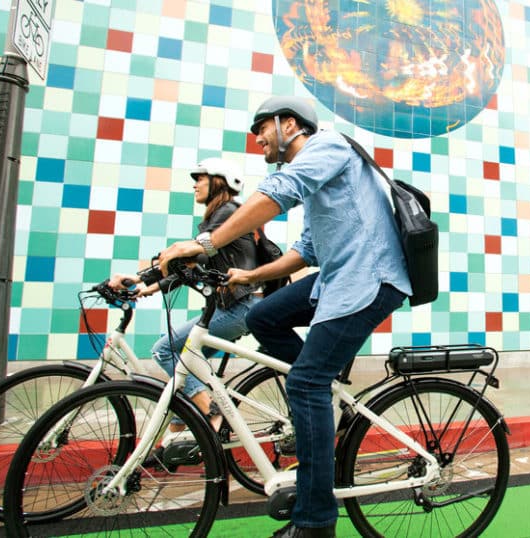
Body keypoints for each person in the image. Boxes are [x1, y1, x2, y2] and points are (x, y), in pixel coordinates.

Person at [157, 96, 412, 538]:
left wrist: (208, 244)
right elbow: (305, 253)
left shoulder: (328, 147)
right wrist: (251, 275)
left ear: (288, 124)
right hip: (334, 279)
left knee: (304, 382)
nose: (257, 140)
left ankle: (315, 523)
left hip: (368, 279)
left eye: (262, 129)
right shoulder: (318, 181)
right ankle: (317, 393)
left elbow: (278, 193)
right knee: (264, 318)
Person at [110, 157, 261, 443]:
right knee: (185, 367)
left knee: (164, 350)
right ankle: (176, 436)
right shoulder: (220, 217)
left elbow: (188, 257)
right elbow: (192, 265)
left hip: (240, 307)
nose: (195, 184)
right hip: (239, 306)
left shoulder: (227, 212)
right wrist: (147, 287)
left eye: (200, 178)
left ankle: (212, 413)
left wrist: (141, 278)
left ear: (220, 181)